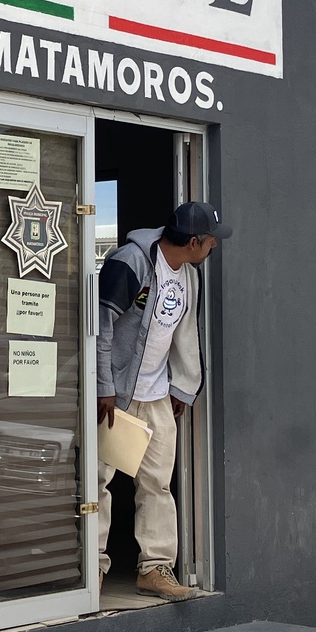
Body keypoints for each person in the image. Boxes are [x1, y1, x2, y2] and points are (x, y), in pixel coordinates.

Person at [95, 199, 231, 599]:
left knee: (157, 484)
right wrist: (104, 387)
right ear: (193, 242)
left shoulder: (190, 275)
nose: (215, 246)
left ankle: (154, 569)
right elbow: (99, 324)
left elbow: (184, 333)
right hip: (116, 396)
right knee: (98, 482)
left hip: (155, 395)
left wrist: (182, 387)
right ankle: (92, 569)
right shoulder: (132, 262)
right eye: (211, 240)